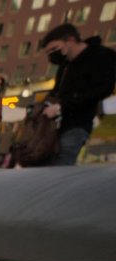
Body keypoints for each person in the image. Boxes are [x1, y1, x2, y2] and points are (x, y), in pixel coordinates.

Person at [40, 23, 116, 166]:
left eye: (54, 49)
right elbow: (57, 90)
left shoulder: (102, 56)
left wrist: (63, 106)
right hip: (56, 126)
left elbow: (104, 89)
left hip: (78, 123)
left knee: (62, 164)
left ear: (70, 41)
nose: (52, 54)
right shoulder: (66, 64)